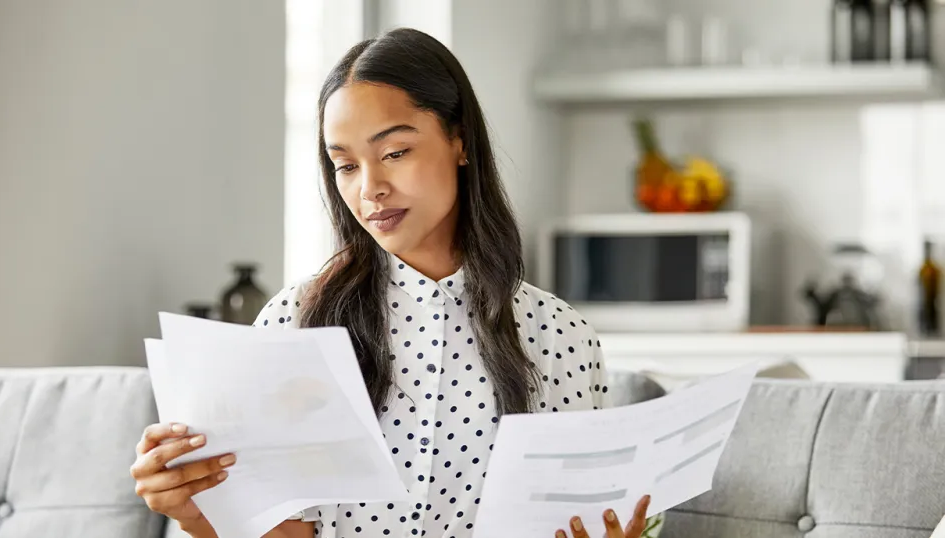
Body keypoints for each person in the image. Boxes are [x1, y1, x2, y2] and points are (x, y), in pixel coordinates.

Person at [130, 27, 665, 538]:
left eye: (394, 153)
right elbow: (288, 532)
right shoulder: (294, 321)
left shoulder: (559, 334)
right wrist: (192, 510)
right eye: (345, 165)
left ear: (460, 141)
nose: (371, 189)